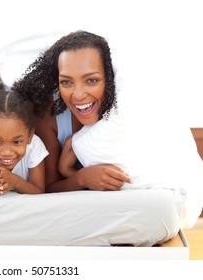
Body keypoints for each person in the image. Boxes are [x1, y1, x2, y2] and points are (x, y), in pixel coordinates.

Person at [13, 30, 202, 229]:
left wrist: (73, 147)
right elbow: (48, 188)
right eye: (66, 82)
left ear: (109, 79)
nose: (78, 95)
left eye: (92, 80)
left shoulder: (124, 113)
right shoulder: (49, 118)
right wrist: (82, 178)